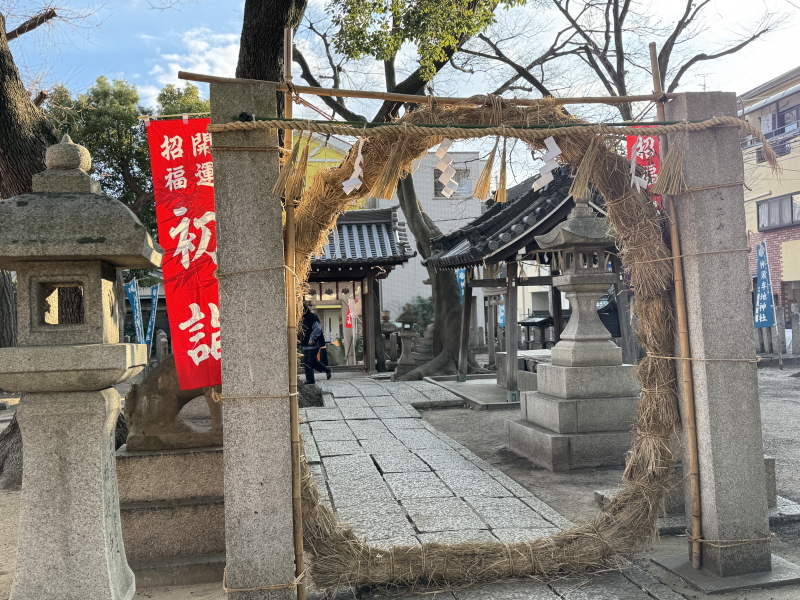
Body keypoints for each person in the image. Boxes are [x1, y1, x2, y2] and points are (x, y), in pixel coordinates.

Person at [300, 306, 332, 384]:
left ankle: (326, 369)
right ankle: (310, 379)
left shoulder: (312, 316)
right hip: (304, 343)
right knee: (306, 362)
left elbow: (317, 329)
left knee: (310, 361)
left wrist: (311, 339)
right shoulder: (301, 318)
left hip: (314, 343)